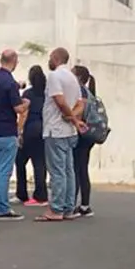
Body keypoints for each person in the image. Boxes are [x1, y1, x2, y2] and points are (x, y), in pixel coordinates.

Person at [40, 46, 85, 223]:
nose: (49, 60)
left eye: (50, 57)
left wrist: (71, 117)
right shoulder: (72, 78)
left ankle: (56, 209)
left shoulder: (54, 76)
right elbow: (81, 103)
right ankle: (68, 207)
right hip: (69, 132)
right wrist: (74, 117)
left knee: (57, 171)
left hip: (55, 130)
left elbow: (59, 100)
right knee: (68, 170)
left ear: (56, 58)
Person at [0, 49, 28, 221]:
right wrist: (25, 103)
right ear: (14, 61)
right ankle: (2, 207)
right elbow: (18, 108)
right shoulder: (9, 82)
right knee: (4, 171)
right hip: (6, 131)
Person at [16, 63, 48, 207]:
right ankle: (41, 195)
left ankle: (22, 193)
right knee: (40, 163)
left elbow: (24, 113)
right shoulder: (47, 94)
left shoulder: (28, 94)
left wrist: (19, 131)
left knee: (20, 160)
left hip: (30, 129)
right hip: (43, 129)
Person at [71, 65, 101, 218]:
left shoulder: (81, 92)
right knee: (82, 168)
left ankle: (73, 203)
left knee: (76, 168)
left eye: (72, 74)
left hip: (81, 133)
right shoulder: (89, 93)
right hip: (89, 134)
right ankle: (84, 204)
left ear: (79, 78)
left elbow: (79, 111)